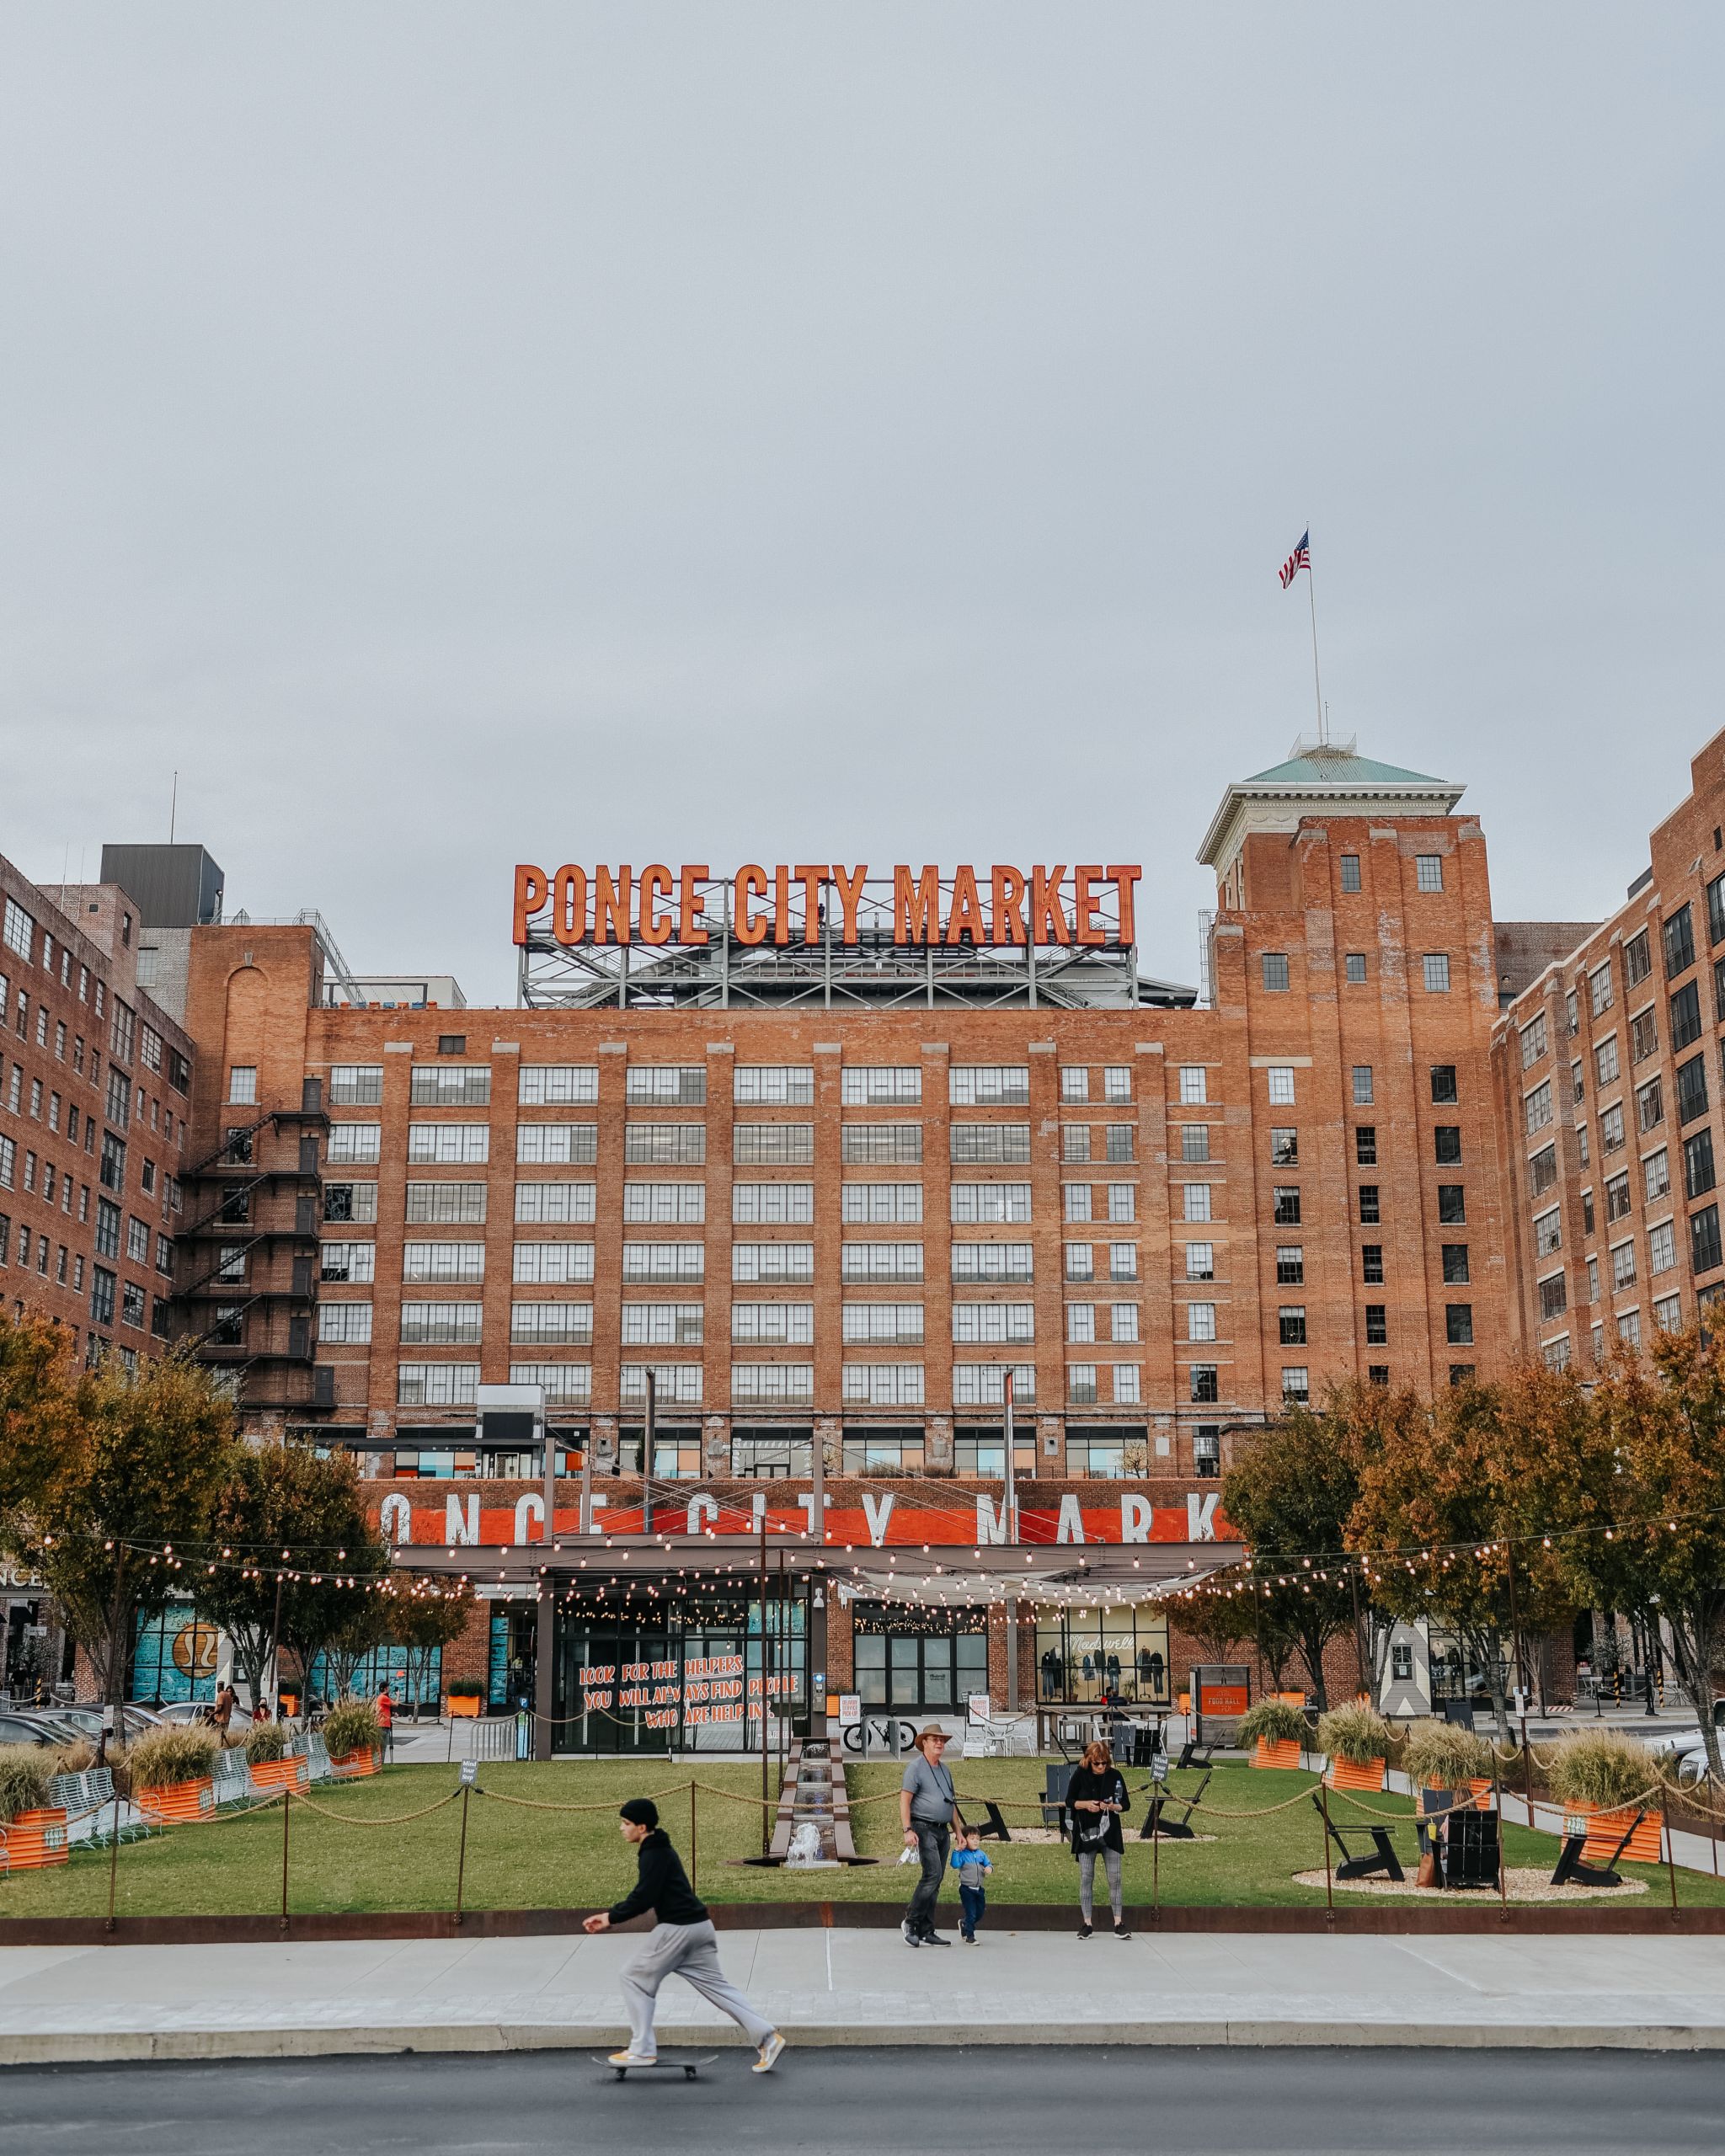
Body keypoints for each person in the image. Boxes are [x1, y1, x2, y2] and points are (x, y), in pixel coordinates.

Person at [583, 1797, 784, 2073]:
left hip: (677, 1930)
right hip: (700, 1928)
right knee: (719, 1989)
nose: (621, 1828)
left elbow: (644, 1897)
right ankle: (767, 2038)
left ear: (642, 1827)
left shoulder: (653, 1854)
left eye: (626, 1823)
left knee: (633, 1977)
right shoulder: (661, 1849)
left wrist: (610, 1917)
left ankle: (641, 2050)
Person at [900, 1722, 961, 1946]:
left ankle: (927, 1929)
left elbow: (950, 1803)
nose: (939, 1743)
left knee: (937, 1881)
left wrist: (959, 1832)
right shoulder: (915, 1768)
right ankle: (911, 1921)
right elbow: (905, 1800)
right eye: (934, 1739)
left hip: (942, 1830)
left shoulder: (945, 1770)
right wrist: (908, 1829)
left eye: (942, 1740)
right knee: (932, 1874)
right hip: (923, 1827)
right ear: (924, 1742)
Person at [1067, 1738, 1131, 1939]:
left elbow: (1126, 1804)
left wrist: (1113, 1806)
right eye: (1097, 1763)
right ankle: (1087, 1923)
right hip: (1087, 1832)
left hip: (1109, 1832)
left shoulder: (1115, 1776)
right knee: (1087, 1877)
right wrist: (1086, 1804)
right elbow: (1070, 1801)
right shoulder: (1080, 1774)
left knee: (1115, 1877)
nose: (1101, 1767)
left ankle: (1118, 1922)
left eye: (1104, 1763)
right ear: (1089, 1761)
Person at [950, 1825, 992, 1944]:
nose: (975, 1841)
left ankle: (964, 1923)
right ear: (964, 1840)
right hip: (966, 1889)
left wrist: (989, 1868)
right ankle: (970, 1936)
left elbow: (988, 1864)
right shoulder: (962, 1854)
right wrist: (957, 1850)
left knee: (979, 1912)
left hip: (978, 1889)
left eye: (977, 1839)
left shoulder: (981, 1854)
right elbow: (954, 1864)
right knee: (971, 1913)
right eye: (972, 1838)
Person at [375, 1683, 395, 1758]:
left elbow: (383, 1710)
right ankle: (381, 1763)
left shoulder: (381, 1698)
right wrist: (398, 1696)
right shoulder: (383, 1697)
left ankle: (379, 1763)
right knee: (382, 1747)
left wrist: (392, 1714)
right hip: (383, 1725)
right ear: (385, 1689)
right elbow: (396, 1704)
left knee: (381, 1747)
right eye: (388, 1688)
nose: (389, 1689)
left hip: (383, 1724)